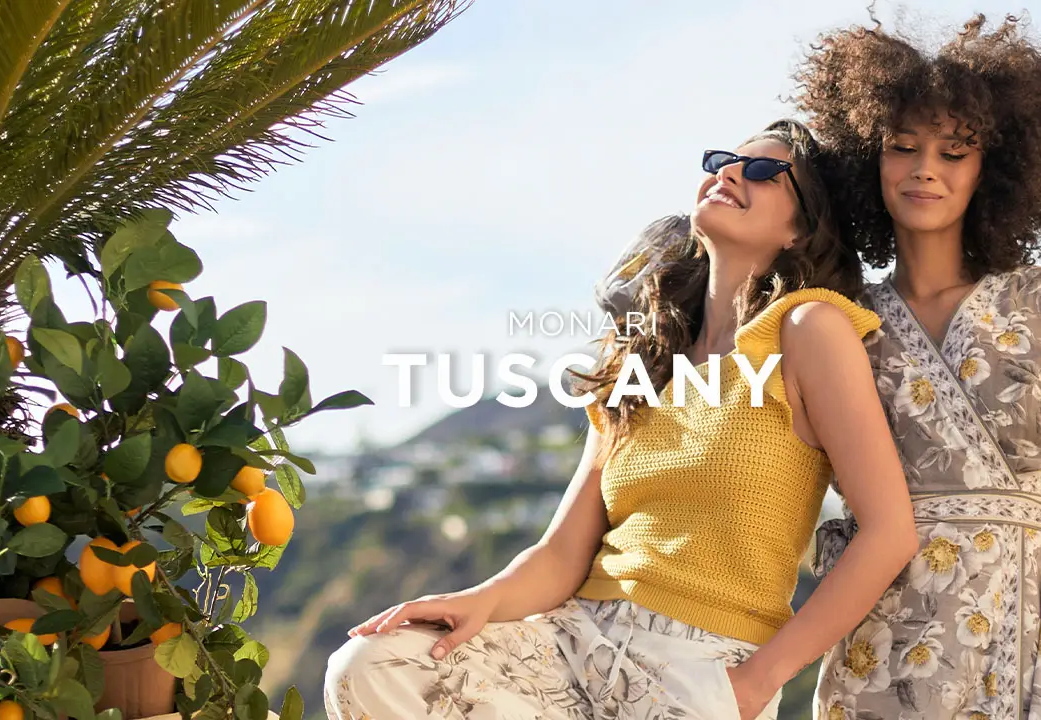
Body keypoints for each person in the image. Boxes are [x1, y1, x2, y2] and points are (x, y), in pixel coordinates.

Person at [323, 119, 918, 720]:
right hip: (571, 640)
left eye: (764, 171)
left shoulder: (806, 330)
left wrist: (760, 681)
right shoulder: (643, 356)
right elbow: (561, 555)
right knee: (374, 666)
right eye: (721, 161)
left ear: (800, 229)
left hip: (700, 670)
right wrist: (482, 597)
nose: (729, 173)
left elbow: (889, 530)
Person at [793, 13, 1041, 720]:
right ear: (868, 157)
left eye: (954, 152)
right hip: (879, 643)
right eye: (902, 146)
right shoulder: (843, 321)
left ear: (992, 169)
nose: (925, 167)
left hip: (1022, 640)